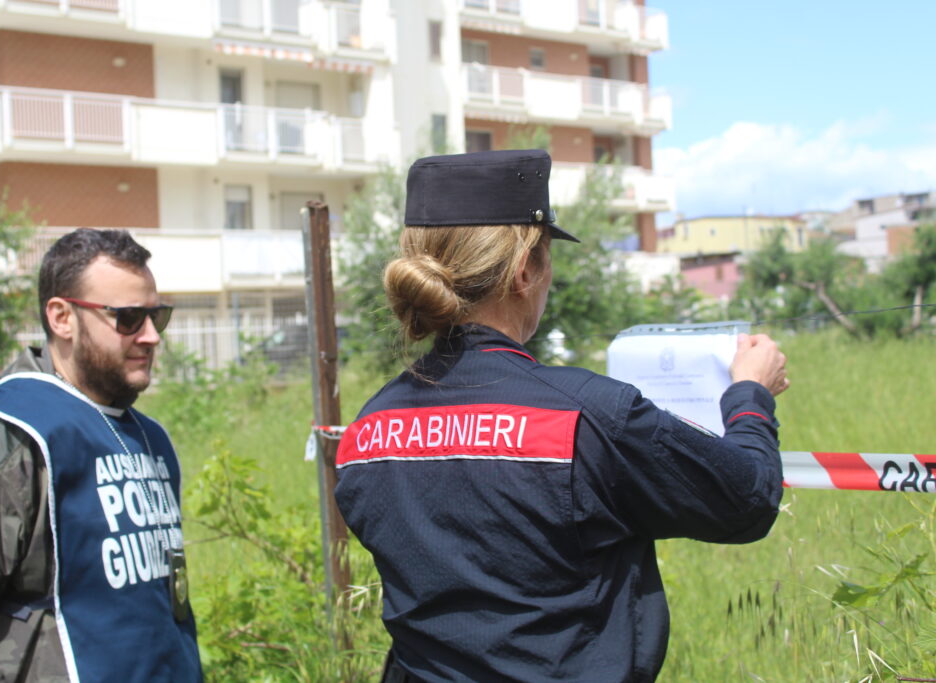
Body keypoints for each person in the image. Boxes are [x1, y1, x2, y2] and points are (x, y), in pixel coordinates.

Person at [334, 149, 789, 682]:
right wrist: (749, 395)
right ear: (526, 269)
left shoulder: (367, 430)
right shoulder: (591, 415)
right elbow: (748, 499)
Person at [0, 229, 202, 682]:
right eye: (127, 318)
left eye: (155, 316)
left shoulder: (149, 439)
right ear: (62, 317)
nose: (151, 337)